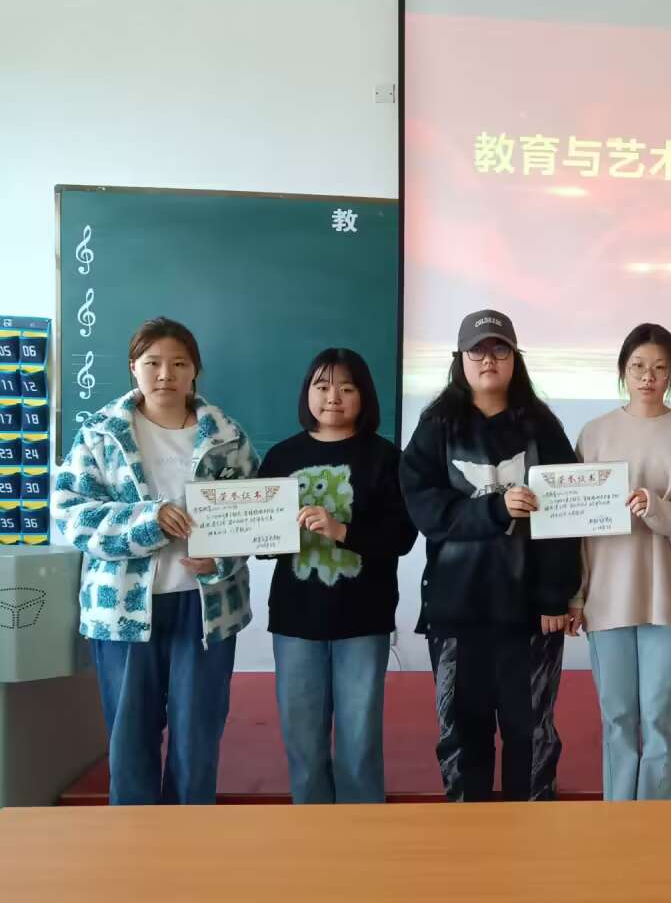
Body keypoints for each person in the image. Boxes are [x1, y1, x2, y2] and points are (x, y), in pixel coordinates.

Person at [52, 317, 257, 804]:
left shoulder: (227, 436)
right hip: (121, 610)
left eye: (179, 363)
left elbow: (253, 515)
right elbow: (71, 515)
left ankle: (190, 837)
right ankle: (133, 840)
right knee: (130, 740)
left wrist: (222, 558)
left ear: (195, 371)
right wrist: (149, 520)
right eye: (153, 363)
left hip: (205, 609)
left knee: (197, 739)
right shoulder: (100, 434)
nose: (166, 374)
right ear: (133, 368)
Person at [400, 309, 579, 801]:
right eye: (476, 350)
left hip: (530, 614)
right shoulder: (437, 425)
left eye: (500, 349)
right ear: (459, 359)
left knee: (532, 736)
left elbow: (567, 516)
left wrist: (556, 595)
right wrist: (495, 510)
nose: (488, 359)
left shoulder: (542, 426)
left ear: (515, 359)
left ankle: (532, 836)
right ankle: (467, 840)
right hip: (457, 611)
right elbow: (426, 509)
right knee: (463, 737)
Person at [569, 323, 671, 800]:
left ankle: (658, 823)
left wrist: (656, 507)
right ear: (623, 370)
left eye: (659, 368)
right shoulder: (594, 434)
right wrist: (575, 595)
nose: (648, 377)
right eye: (638, 366)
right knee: (617, 718)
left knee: (660, 719)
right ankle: (618, 818)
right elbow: (575, 523)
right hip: (607, 599)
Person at [258, 348, 417, 804]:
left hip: (363, 621)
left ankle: (362, 836)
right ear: (307, 393)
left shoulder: (386, 457)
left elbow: (402, 536)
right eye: (323, 386)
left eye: (347, 388)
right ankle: (312, 835)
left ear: (364, 396)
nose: (333, 397)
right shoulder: (282, 455)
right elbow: (261, 542)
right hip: (295, 620)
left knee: (359, 745)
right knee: (303, 746)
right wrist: (272, 534)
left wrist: (341, 530)